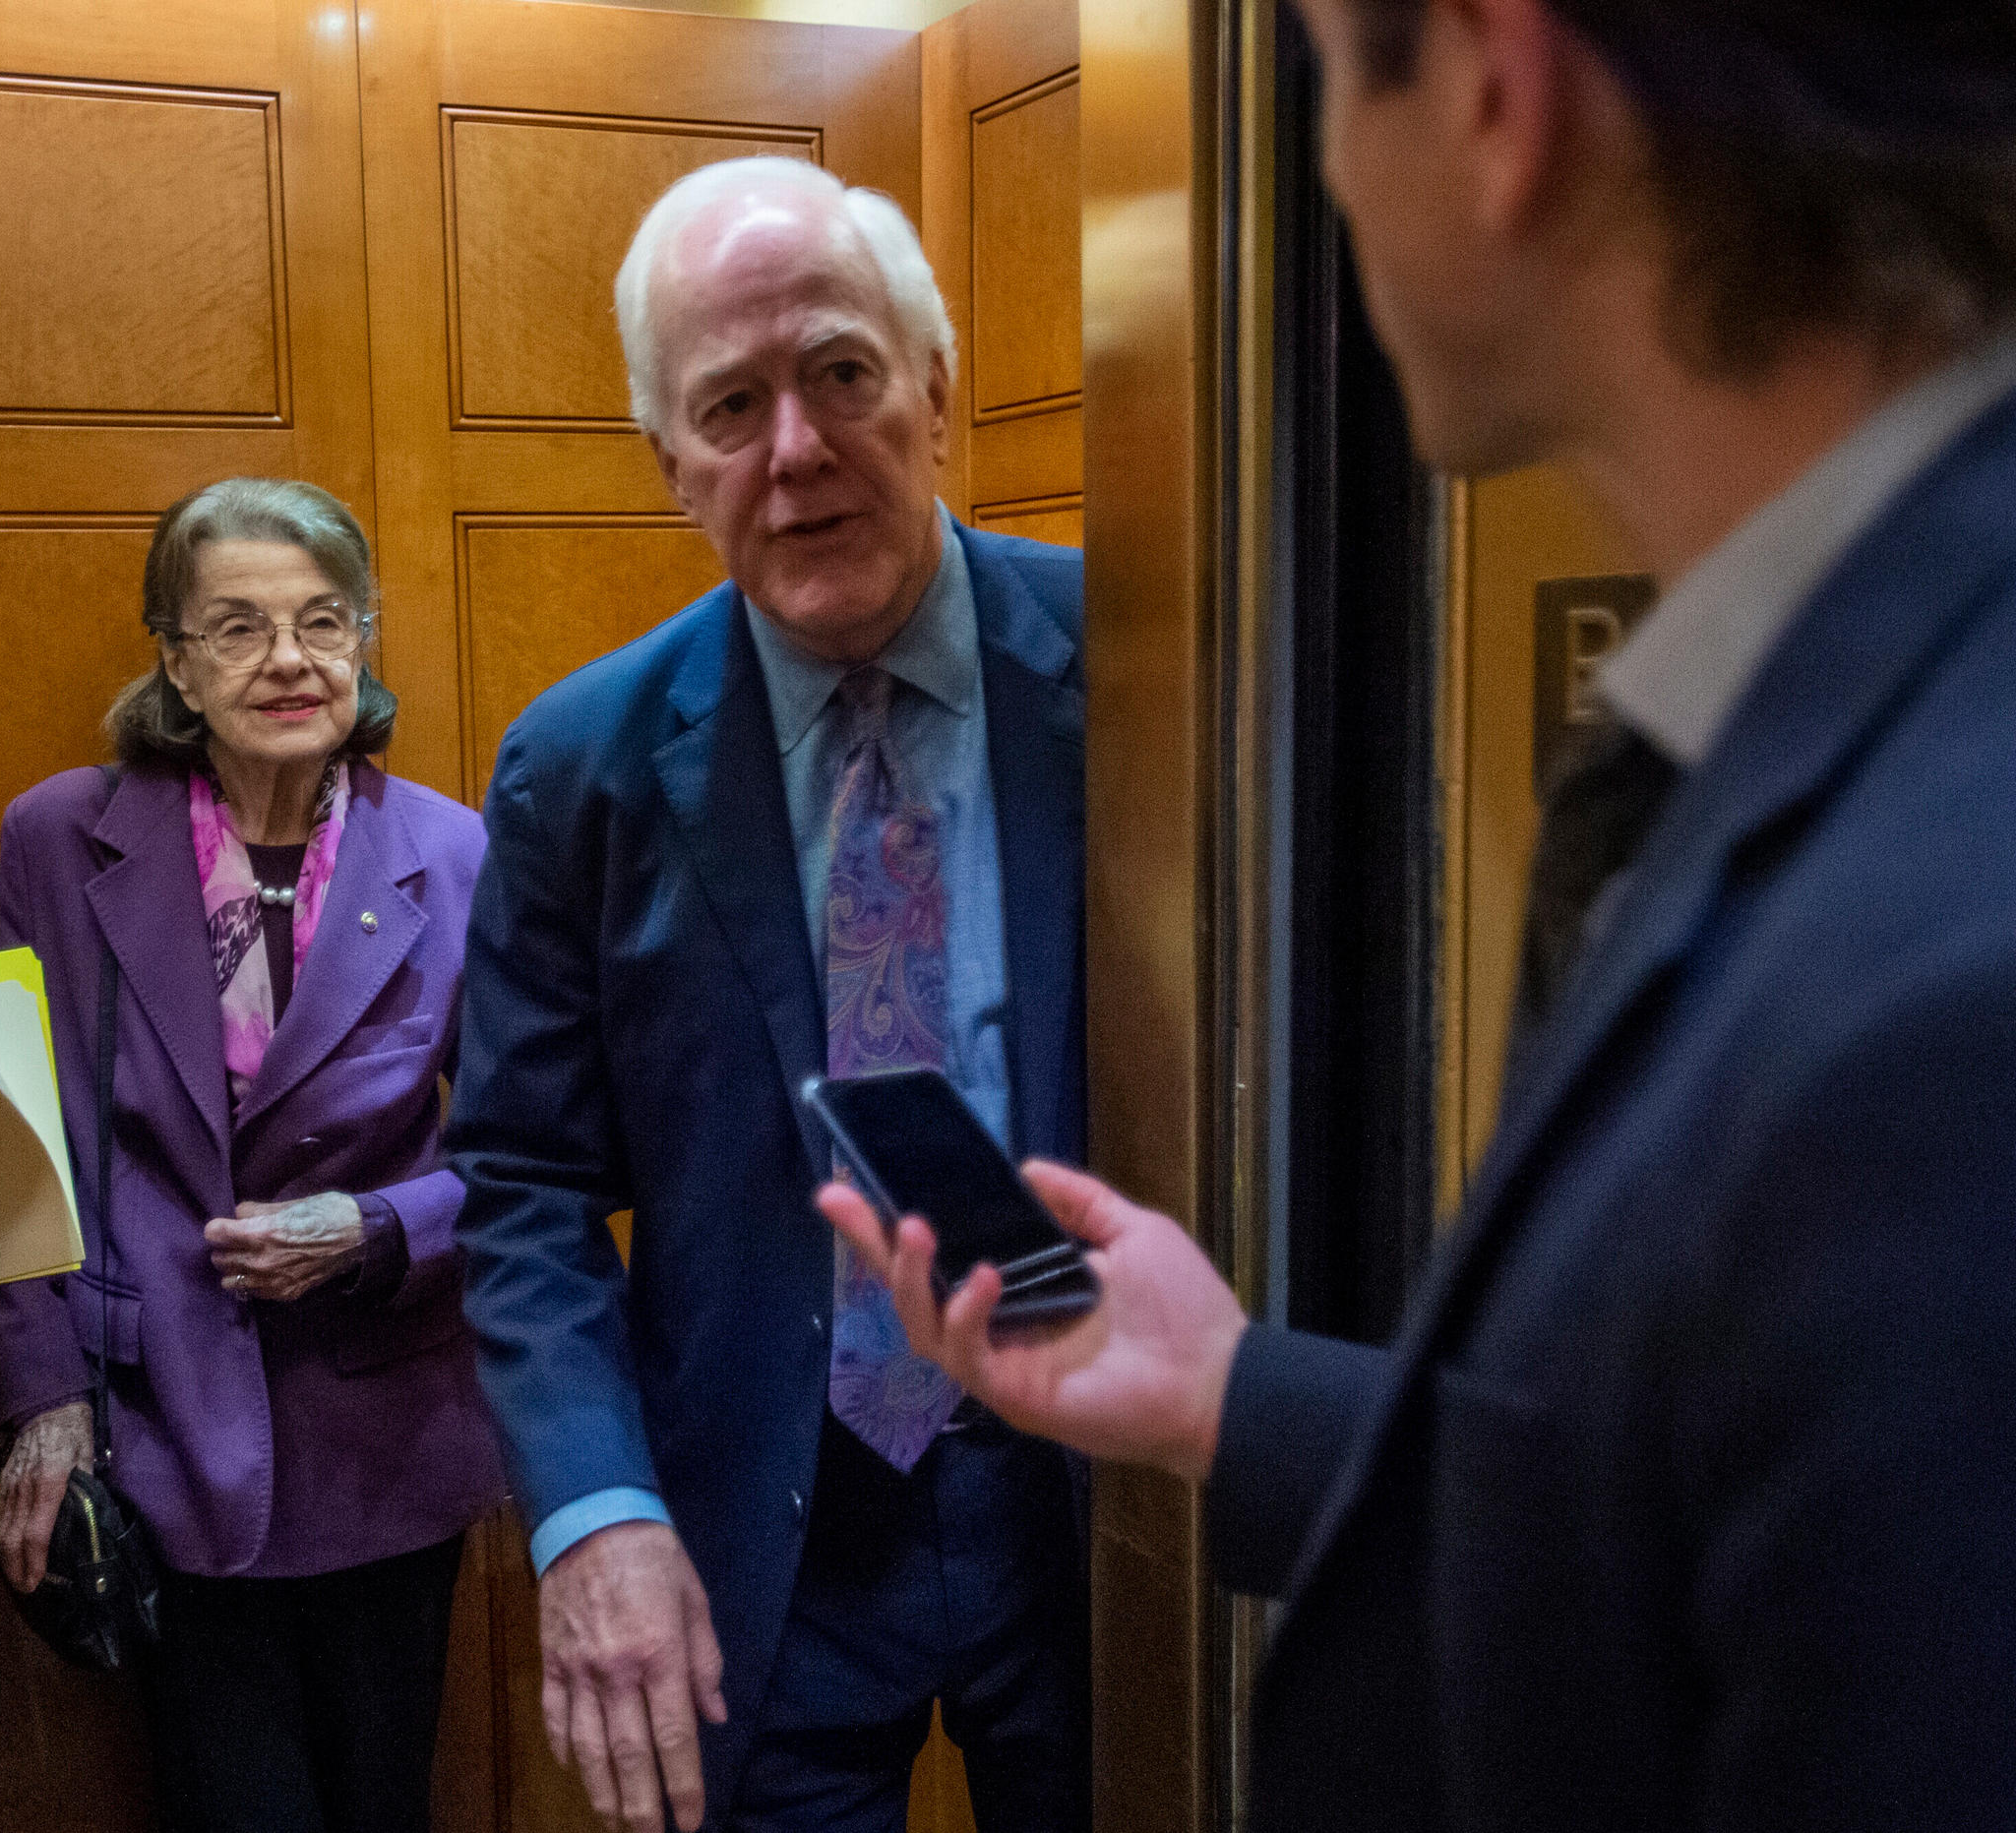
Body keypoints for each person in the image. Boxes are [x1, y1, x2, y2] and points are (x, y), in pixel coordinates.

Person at [823, 3, 2016, 1829]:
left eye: (1314, 76)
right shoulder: (1848, 726)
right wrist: (1232, 1391)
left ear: (1488, 87)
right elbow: (1719, 1487)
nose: (1317, 168)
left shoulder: (1942, 990)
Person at [449, 157, 1090, 1833]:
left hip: (1108, 1513)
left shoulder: (1158, 672)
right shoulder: (578, 766)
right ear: (672, 466)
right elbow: (518, 1185)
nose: (795, 450)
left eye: (842, 373)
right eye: (730, 405)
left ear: (937, 390)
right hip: (762, 1542)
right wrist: (592, 1511)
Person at [0, 477, 501, 1833]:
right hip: (156, 1430)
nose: (289, 659)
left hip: (385, 1431)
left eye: (322, 622)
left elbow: (533, 1156)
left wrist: (379, 1229)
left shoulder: (451, 853)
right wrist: (42, 1394)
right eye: (238, 626)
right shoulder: (61, 838)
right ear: (174, 660)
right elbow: (6, 1133)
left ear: (365, 640)